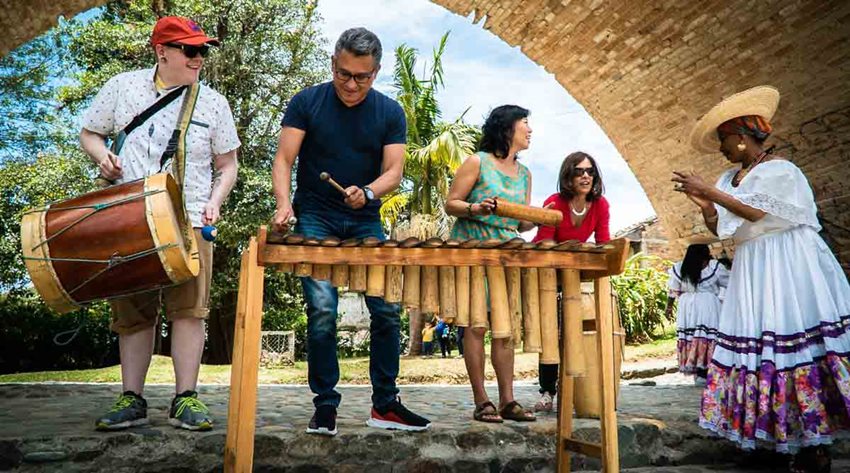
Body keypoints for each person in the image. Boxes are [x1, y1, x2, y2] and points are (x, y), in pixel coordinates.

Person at [673, 85, 850, 472]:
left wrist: (711, 193)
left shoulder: (781, 171)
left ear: (741, 137)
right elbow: (725, 228)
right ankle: (774, 436)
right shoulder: (728, 178)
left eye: (724, 140)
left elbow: (756, 214)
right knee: (760, 343)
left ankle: (814, 443)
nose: (721, 148)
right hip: (754, 264)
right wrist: (706, 203)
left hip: (788, 262)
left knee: (794, 338)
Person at [80, 16, 240, 431]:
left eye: (203, 50)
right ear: (162, 51)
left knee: (189, 310)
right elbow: (90, 134)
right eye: (190, 50)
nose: (199, 57)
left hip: (188, 219)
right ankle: (131, 398)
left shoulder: (214, 103)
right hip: (129, 215)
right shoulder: (121, 87)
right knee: (133, 312)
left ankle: (185, 398)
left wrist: (215, 201)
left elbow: (228, 165)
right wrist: (102, 157)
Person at [271, 27, 430, 436]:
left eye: (361, 76)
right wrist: (284, 204)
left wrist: (370, 191)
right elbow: (285, 159)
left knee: (386, 309)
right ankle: (325, 405)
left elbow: (394, 171)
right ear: (333, 64)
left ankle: (385, 405)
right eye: (343, 74)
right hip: (315, 218)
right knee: (322, 310)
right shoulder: (307, 102)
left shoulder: (390, 112)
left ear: (375, 72)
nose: (351, 84)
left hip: (365, 219)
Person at [445, 104, 537, 423]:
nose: (530, 129)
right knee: (475, 324)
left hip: (507, 253)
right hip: (472, 249)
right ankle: (481, 399)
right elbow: (451, 203)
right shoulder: (477, 161)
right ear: (507, 127)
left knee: (505, 328)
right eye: (525, 122)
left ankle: (508, 400)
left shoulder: (525, 174)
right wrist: (476, 209)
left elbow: (520, 223)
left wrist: (535, 220)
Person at [531, 151, 610, 412]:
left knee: (574, 332)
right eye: (579, 171)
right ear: (568, 175)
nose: (586, 176)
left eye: (590, 171)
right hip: (544, 274)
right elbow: (544, 241)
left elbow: (603, 243)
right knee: (550, 333)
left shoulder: (600, 205)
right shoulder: (554, 202)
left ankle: (582, 391)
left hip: (573, 274)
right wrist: (571, 250)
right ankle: (547, 391)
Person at [664, 243, 729, 386]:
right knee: (707, 335)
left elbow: (673, 290)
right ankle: (706, 370)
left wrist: (668, 307)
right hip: (708, 304)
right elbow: (729, 283)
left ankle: (698, 371)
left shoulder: (679, 267)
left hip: (687, 306)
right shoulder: (713, 267)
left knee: (692, 336)